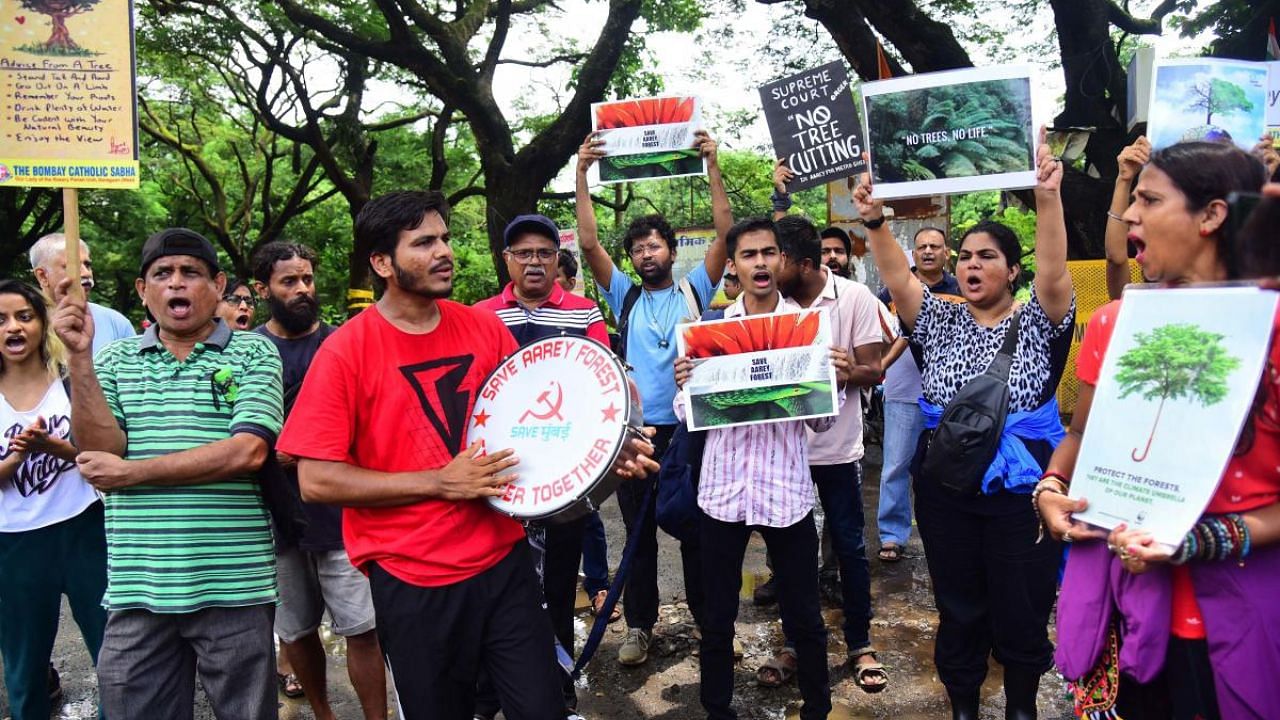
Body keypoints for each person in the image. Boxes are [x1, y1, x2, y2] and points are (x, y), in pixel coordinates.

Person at [274, 190, 658, 719]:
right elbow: (316, 480)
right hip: (412, 580)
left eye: (446, 239)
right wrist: (438, 482)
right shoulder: (345, 350)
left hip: (505, 563)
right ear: (382, 263)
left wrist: (606, 462)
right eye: (424, 242)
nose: (445, 252)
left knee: (544, 708)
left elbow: (532, 432)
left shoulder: (481, 327)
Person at [1037, 142, 1275, 719]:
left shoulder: (1268, 331)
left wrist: (1199, 541)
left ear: (1212, 214)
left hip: (1242, 620)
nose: (1131, 216)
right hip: (1124, 617)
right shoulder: (1115, 323)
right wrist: (1049, 489)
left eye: (1148, 199)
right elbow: (1078, 437)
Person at [853, 136, 1075, 720]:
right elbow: (900, 281)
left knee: (1023, 606)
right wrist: (875, 220)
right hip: (947, 488)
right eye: (966, 257)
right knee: (959, 604)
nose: (972, 264)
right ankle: (963, 708)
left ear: (1013, 270)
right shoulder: (940, 320)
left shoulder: (1039, 320)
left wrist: (1047, 196)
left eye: (988, 256)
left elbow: (1055, 273)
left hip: (1022, 495)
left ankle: (1022, 708)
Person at [52, 227, 283, 719]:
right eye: (162, 274)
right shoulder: (111, 359)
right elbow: (99, 453)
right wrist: (78, 357)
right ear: (143, 290)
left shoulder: (254, 352)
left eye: (191, 273)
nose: (176, 284)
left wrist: (132, 473)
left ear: (218, 285)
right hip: (139, 588)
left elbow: (246, 453)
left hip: (236, 587)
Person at [674, 217, 853, 720]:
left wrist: (832, 380)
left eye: (769, 253)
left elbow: (820, 426)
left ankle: (817, 707)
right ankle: (717, 708)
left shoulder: (809, 331)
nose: (760, 263)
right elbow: (692, 417)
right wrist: (687, 381)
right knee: (717, 616)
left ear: (782, 261)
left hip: (786, 493)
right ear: (732, 265)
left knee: (805, 616)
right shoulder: (711, 333)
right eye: (749, 255)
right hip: (722, 492)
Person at [576, 129, 730, 666]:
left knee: (694, 529)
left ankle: (712, 628)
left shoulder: (695, 289)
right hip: (636, 434)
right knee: (637, 539)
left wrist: (712, 163)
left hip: (690, 432)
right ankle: (639, 627)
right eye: (638, 248)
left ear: (670, 249)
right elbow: (590, 245)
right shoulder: (626, 295)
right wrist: (580, 173)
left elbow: (725, 235)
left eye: (653, 245)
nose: (646, 254)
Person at [472, 214, 611, 718]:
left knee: (557, 588)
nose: (534, 261)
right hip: (498, 482)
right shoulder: (479, 316)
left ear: (558, 259)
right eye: (523, 253)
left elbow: (602, 390)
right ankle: (487, 698)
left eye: (544, 253)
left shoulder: (583, 313)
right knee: (497, 591)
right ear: (506, 259)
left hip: (566, 481)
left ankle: (561, 694)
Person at [251, 241, 387, 720]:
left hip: (342, 516)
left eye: (307, 279)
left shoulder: (343, 341)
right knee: (295, 630)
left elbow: (373, 420)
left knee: (363, 628)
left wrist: (312, 448)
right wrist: (272, 455)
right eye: (289, 281)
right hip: (276, 519)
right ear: (262, 287)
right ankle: (324, 714)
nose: (302, 289)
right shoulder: (248, 354)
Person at [753, 215, 886, 693]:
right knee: (792, 555)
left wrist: (847, 369)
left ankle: (859, 642)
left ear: (802, 264)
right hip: (782, 455)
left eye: (775, 256)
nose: (766, 265)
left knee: (849, 548)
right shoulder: (766, 305)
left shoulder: (854, 298)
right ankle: (793, 643)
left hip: (837, 450)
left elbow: (875, 370)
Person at [0, 279, 106, 720]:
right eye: (1, 320)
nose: (13, 328)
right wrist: (19, 455)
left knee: (115, 652)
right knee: (24, 667)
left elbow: (102, 452)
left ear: (42, 323)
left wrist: (57, 448)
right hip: (15, 543)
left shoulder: (70, 379)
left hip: (84, 527)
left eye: (24, 316)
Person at [875, 227, 962, 563]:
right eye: (921, 246)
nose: (927, 251)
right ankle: (893, 535)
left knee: (950, 466)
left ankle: (950, 530)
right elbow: (878, 332)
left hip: (950, 396)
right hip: (903, 391)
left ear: (946, 252)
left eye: (934, 246)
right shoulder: (895, 290)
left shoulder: (960, 289)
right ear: (913, 253)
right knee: (895, 465)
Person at [30, 232, 134, 355]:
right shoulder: (21, 326)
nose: (86, 273)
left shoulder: (116, 323)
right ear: (43, 276)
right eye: (73, 266)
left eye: (87, 265)